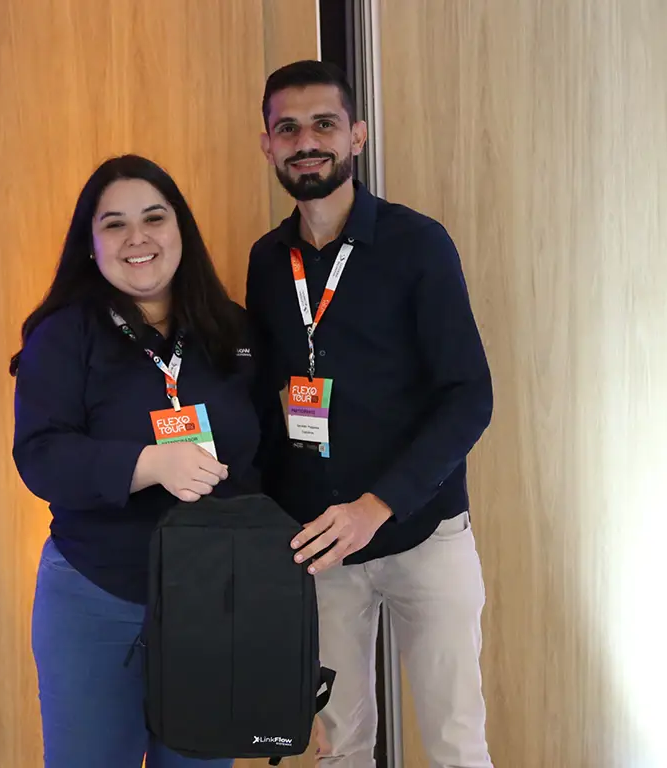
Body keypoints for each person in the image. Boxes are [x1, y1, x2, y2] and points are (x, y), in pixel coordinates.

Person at [246, 61, 495, 768]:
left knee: (455, 744)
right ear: (268, 145)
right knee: (338, 749)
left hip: (424, 534)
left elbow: (469, 395)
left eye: (324, 124)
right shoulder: (268, 262)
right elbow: (265, 402)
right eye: (288, 129)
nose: (306, 142)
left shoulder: (419, 245)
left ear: (356, 135)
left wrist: (375, 507)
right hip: (320, 547)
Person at [11, 154, 276, 768]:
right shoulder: (63, 335)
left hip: (213, 600)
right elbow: (41, 456)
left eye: (154, 218)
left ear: (180, 229)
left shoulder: (231, 331)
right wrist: (149, 464)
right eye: (115, 224)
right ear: (91, 243)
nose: (138, 237)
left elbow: (265, 454)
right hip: (97, 596)